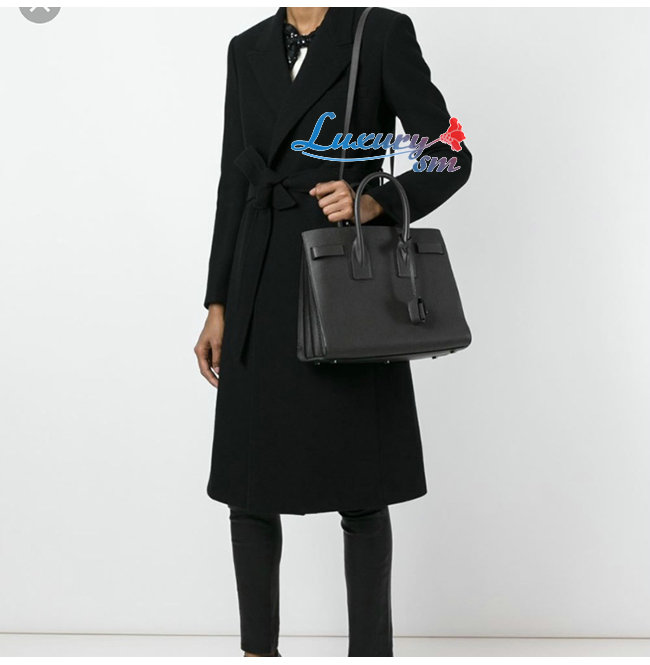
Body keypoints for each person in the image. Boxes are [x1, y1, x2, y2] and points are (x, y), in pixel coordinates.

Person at [194, 6, 473, 657]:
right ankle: (257, 652)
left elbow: (449, 153)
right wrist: (217, 301)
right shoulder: (246, 47)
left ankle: (369, 652)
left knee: (361, 488)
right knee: (248, 487)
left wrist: (374, 200)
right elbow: (234, 178)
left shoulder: (379, 32)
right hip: (258, 283)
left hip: (343, 285)